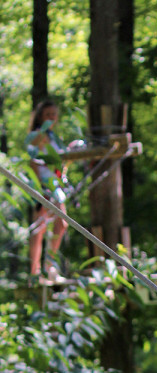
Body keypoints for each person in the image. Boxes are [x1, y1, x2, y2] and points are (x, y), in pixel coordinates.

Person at [25, 100, 69, 280]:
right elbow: (33, 161)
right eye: (47, 115)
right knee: (40, 227)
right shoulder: (38, 135)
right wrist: (39, 187)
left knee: (61, 224)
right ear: (40, 117)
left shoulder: (54, 137)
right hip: (43, 185)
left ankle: (49, 266)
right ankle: (35, 272)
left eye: (54, 114)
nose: (51, 118)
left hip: (56, 186)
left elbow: (60, 162)